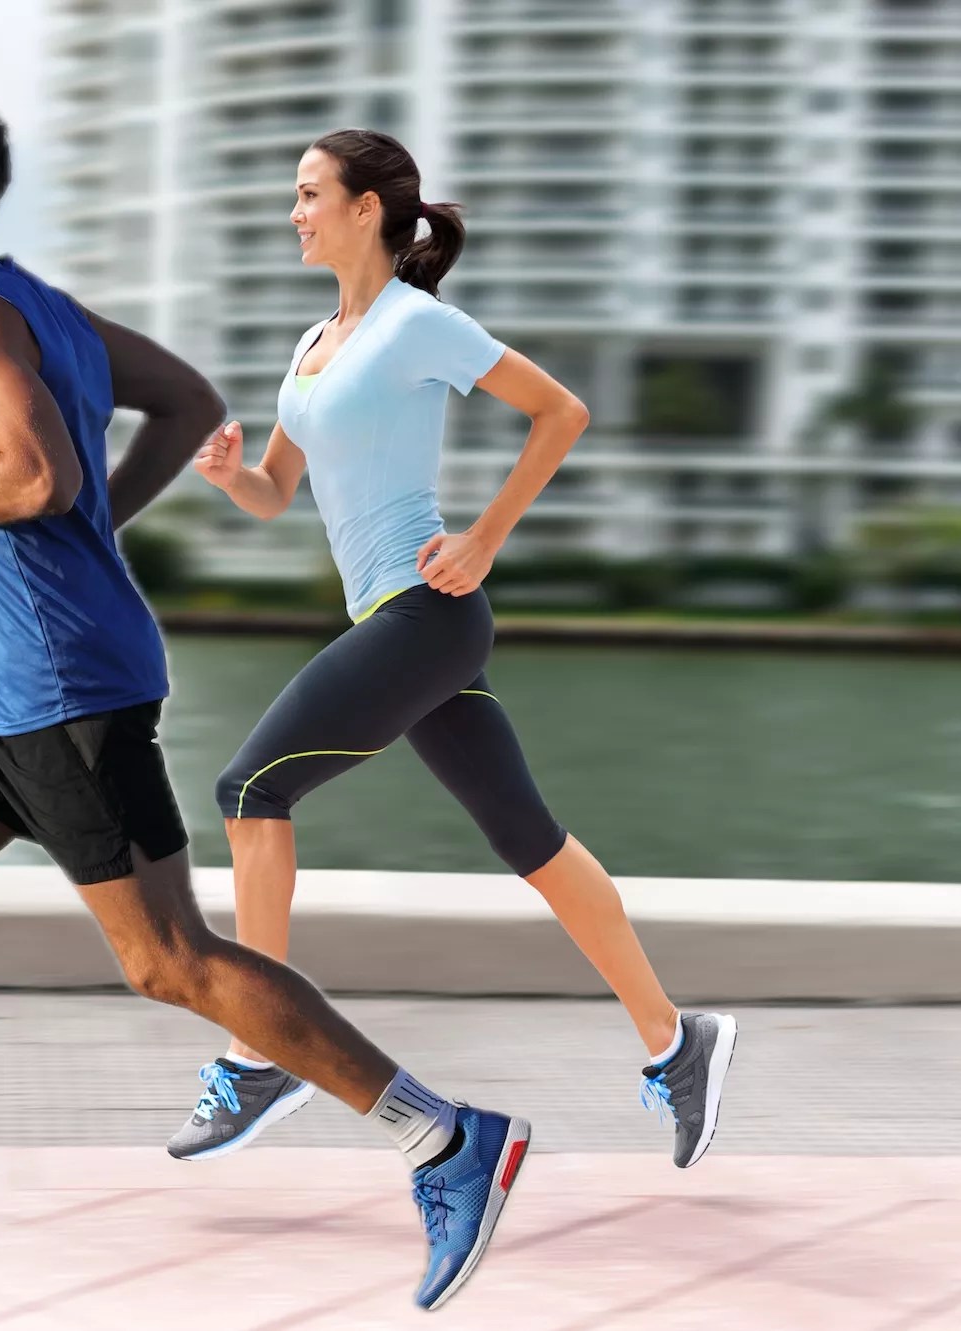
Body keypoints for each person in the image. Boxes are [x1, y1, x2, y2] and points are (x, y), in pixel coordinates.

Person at [0, 86, 529, 1316]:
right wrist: (99, 527)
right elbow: (192, 403)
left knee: (169, 960)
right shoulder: (36, 304)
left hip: (62, 688)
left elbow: (33, 474)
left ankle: (445, 1135)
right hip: (7, 681)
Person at [166, 129, 738, 1172]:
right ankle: (675, 1039)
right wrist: (230, 476)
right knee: (532, 841)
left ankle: (259, 1053)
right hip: (395, 625)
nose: (292, 211)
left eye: (307, 194)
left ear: (366, 208)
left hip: (423, 615)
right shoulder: (313, 341)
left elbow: (558, 412)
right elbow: (276, 494)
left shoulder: (415, 324)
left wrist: (482, 536)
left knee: (249, 791)